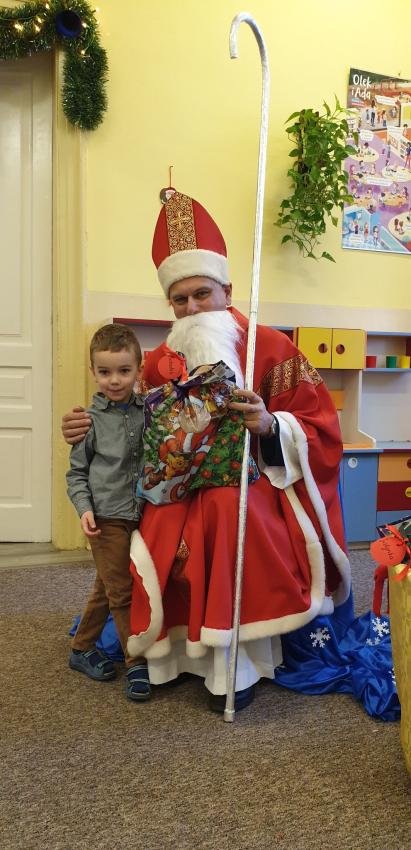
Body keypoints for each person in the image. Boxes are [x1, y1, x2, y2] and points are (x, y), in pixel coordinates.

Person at [63, 189, 350, 713]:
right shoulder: (157, 362)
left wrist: (271, 425)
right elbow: (126, 420)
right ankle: (169, 659)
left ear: (227, 290)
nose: (192, 308)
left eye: (202, 294)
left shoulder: (272, 348)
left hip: (252, 481)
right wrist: (85, 426)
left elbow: (321, 429)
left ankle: (234, 665)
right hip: (172, 489)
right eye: (180, 300)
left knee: (225, 509)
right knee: (155, 524)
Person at [66, 323, 150, 702]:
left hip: (141, 515)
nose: (114, 380)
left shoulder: (148, 412)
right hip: (106, 519)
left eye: (123, 371)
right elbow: (76, 473)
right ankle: (136, 663)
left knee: (107, 585)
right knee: (122, 592)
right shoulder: (89, 421)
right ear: (93, 372)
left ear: (138, 369)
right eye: (104, 372)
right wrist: (84, 509)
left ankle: (82, 647)